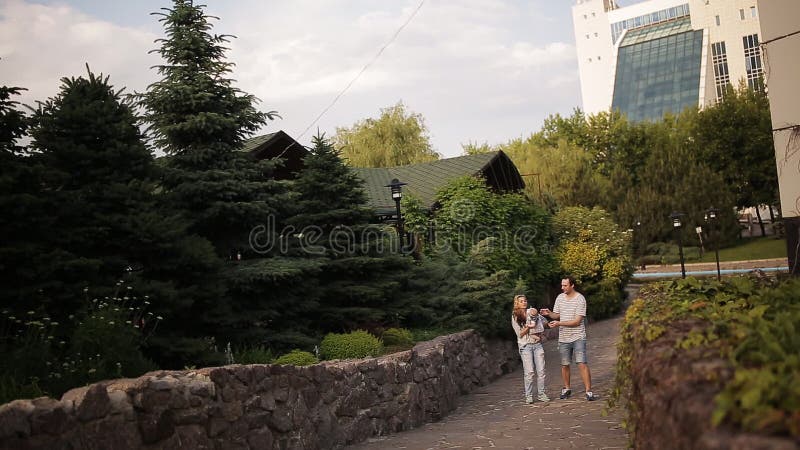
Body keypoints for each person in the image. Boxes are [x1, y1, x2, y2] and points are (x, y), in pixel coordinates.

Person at [540, 277, 598, 401]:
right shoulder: (560, 298)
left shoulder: (580, 299)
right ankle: (566, 388)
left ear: (572, 285)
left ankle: (588, 391)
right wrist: (549, 313)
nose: (562, 288)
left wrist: (559, 324)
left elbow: (577, 322)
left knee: (582, 363)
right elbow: (557, 315)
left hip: (578, 336)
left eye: (565, 285)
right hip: (564, 338)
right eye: (562, 285)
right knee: (565, 364)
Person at [511, 294, 549, 404]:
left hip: (537, 344)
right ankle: (529, 396)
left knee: (541, 371)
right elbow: (519, 334)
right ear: (517, 304)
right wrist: (528, 326)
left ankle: (541, 394)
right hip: (525, 346)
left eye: (525, 300)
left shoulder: (531, 312)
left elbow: (544, 322)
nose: (524, 302)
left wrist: (538, 318)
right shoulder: (515, 316)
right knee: (530, 372)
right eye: (521, 301)